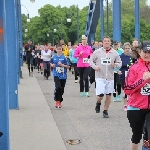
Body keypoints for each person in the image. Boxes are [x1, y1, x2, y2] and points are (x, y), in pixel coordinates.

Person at [124, 41, 150, 150]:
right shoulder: (134, 68)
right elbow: (127, 89)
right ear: (139, 52)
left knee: (149, 134)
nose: (147, 54)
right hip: (136, 108)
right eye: (145, 51)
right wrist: (142, 81)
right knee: (137, 136)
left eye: (149, 52)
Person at [90, 36, 122, 118]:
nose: (107, 42)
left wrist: (115, 65)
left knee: (108, 95)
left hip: (110, 77)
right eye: (105, 41)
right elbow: (91, 61)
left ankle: (105, 111)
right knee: (100, 95)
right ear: (102, 42)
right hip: (100, 76)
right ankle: (98, 102)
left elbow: (119, 63)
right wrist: (95, 67)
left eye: (108, 41)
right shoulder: (97, 52)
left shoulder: (114, 53)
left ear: (110, 42)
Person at [50, 43, 70, 108]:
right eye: (58, 49)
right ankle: (57, 101)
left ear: (62, 49)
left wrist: (62, 65)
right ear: (56, 49)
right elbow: (50, 62)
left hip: (63, 75)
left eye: (60, 49)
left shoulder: (64, 57)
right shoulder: (54, 57)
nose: (59, 50)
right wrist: (52, 65)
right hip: (56, 74)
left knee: (62, 89)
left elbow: (68, 66)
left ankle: (59, 101)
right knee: (58, 87)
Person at [118, 42, 133, 111]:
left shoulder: (132, 57)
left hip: (131, 75)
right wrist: (118, 70)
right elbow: (117, 65)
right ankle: (125, 105)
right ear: (123, 49)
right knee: (125, 90)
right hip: (123, 75)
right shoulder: (120, 56)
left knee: (131, 90)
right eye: (126, 48)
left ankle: (130, 103)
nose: (127, 50)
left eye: (128, 48)